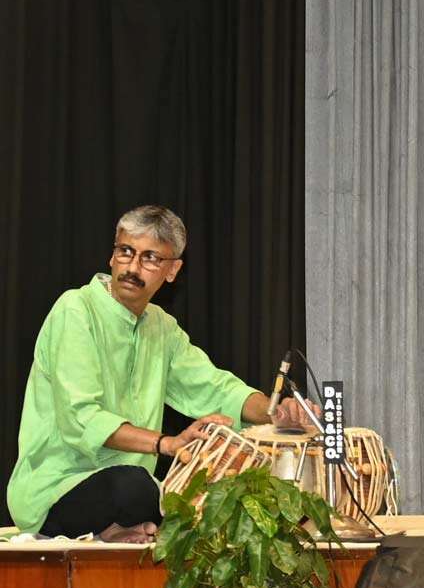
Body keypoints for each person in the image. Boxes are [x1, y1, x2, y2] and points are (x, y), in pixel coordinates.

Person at [7, 206, 318, 543]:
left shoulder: (161, 327)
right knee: (133, 486)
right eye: (126, 252)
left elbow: (215, 388)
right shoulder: (75, 310)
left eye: (151, 258)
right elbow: (80, 417)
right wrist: (166, 444)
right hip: (57, 489)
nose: (133, 267)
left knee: (223, 497)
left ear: (172, 271)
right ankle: (118, 526)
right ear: (112, 257)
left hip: (131, 491)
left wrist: (275, 411)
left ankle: (119, 530)